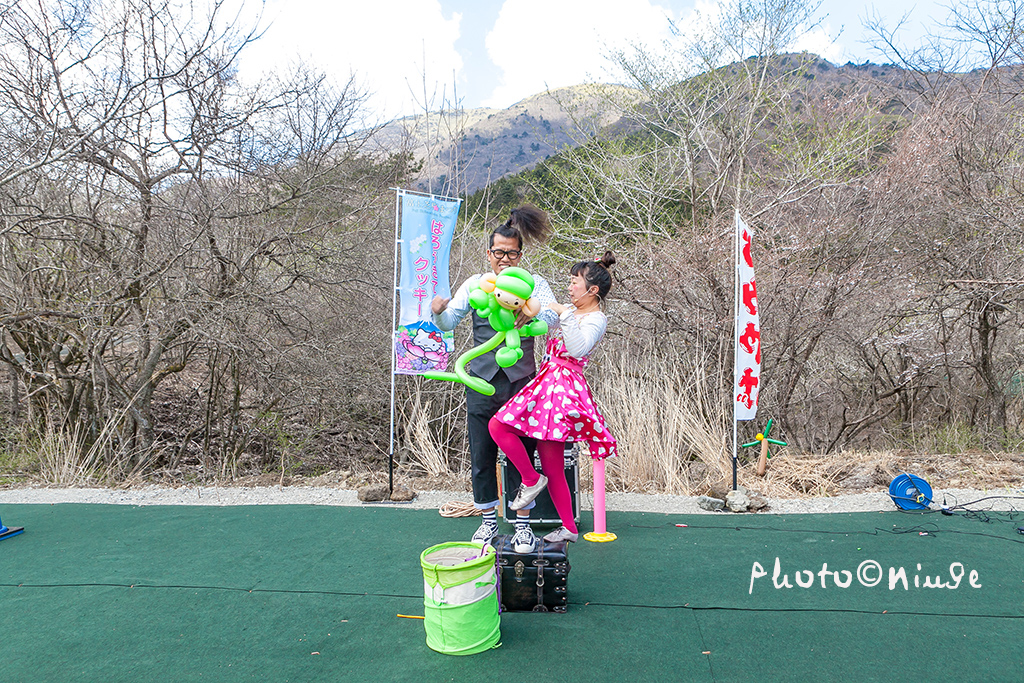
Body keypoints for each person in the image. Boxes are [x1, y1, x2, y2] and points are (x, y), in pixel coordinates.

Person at [431, 205, 557, 545]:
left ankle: (522, 525)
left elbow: (555, 316)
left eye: (511, 254)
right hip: (481, 380)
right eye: (499, 253)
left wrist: (532, 312)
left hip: (522, 381)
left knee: (522, 455)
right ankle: (487, 521)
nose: (505, 259)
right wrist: (438, 312)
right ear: (489, 253)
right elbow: (449, 320)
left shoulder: (533, 284)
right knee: (482, 454)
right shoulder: (475, 283)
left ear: (520, 254)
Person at [489, 252, 618, 552]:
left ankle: (537, 487)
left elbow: (578, 347)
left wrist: (564, 314)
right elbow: (544, 325)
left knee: (545, 458)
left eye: (575, 282)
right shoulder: (572, 312)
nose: (570, 287)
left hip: (562, 389)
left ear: (592, 290)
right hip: (548, 383)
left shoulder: (595, 318)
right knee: (501, 429)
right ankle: (552, 505)